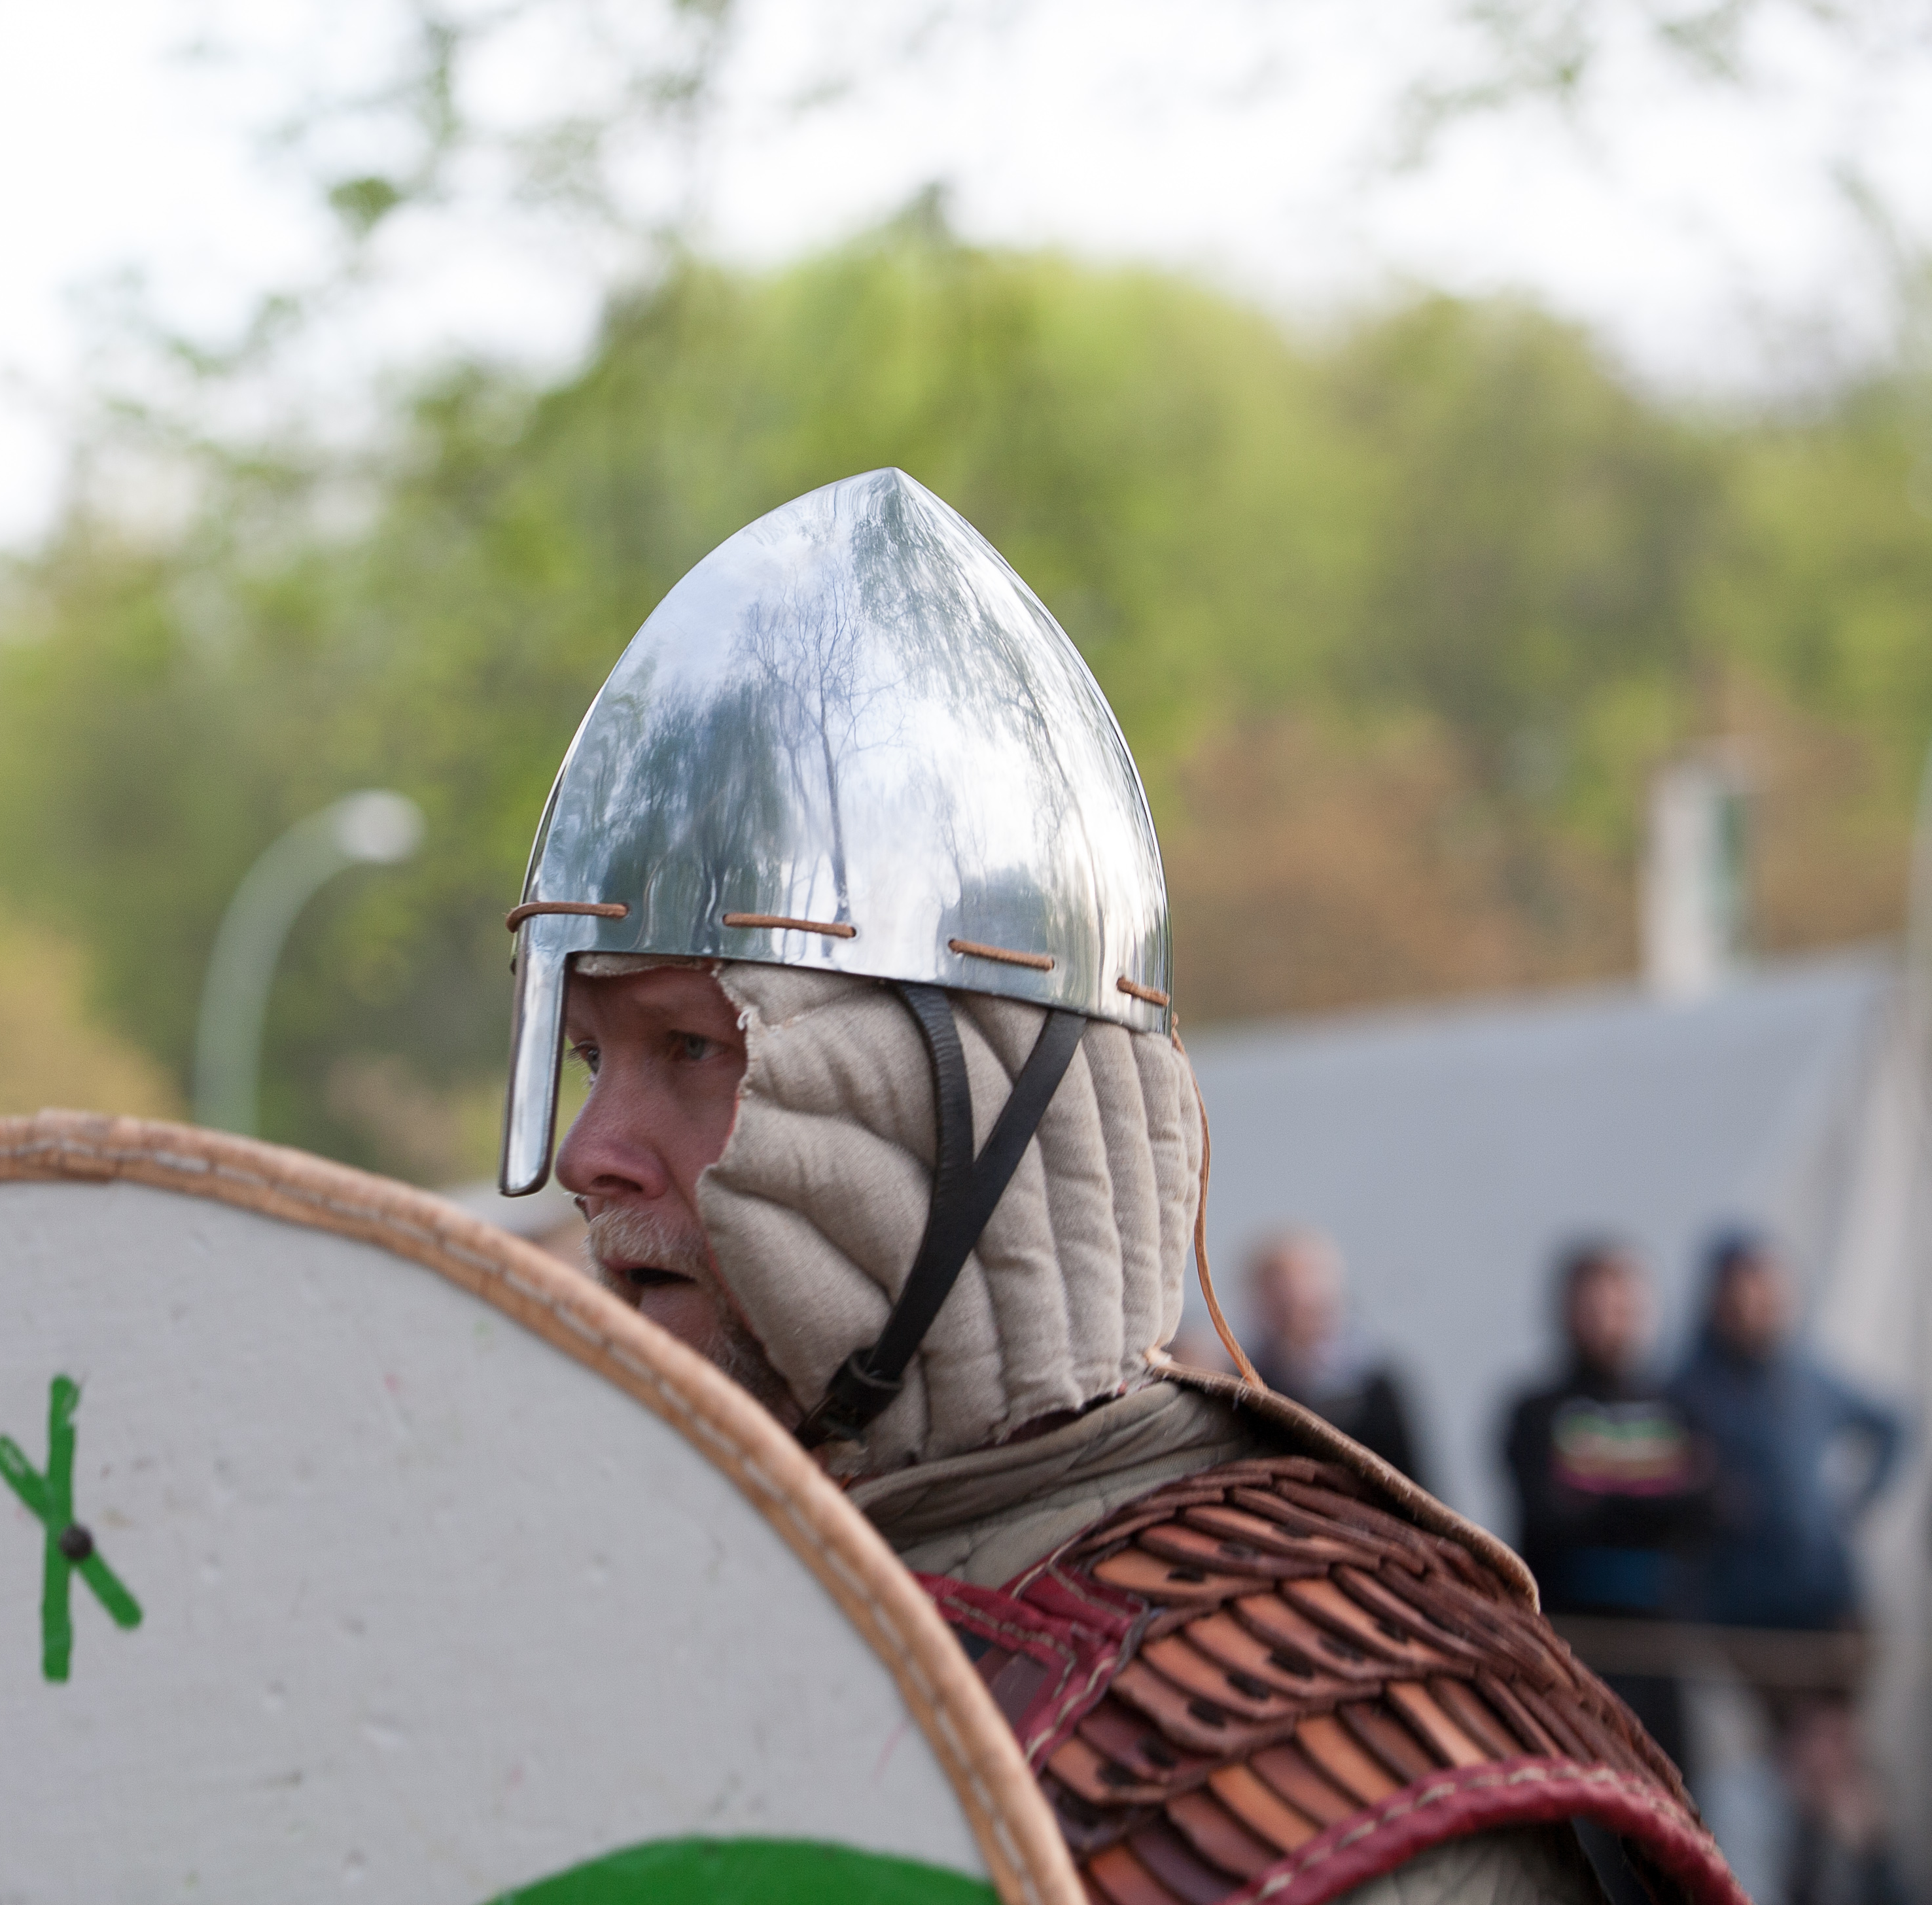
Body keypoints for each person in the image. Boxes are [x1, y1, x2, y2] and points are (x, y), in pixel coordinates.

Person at [502, 470, 1740, 1905]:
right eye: (588, 1058)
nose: (592, 1150)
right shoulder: (615, 1610)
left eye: (690, 1048)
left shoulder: (1333, 1756)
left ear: (973, 1102)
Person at [1666, 1231, 1905, 1905]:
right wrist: (1707, 1503)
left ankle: (1859, 1880)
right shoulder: (1690, 1388)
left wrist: (1857, 1500)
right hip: (1749, 1612)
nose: (1753, 1307)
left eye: (1764, 1291)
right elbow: (1658, 1476)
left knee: (1824, 1759)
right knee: (1814, 1758)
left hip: (1831, 1598)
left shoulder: (1805, 1376)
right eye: (1739, 1294)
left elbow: (1893, 1425)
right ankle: (1874, 1880)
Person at [1501, 1239, 1709, 1772]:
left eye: (1621, 1306)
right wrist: (1649, 1497)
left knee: (1667, 1791)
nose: (1609, 1320)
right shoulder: (1536, 1410)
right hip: (1571, 1641)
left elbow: (1708, 1510)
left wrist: (1600, 1497)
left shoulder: (1675, 1408)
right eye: (1594, 1306)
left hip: (1661, 1644)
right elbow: (1547, 1519)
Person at [1243, 1229, 1428, 1486]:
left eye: (1305, 1298)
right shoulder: (1245, 1381)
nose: (1296, 1311)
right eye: (1281, 1301)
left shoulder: (1375, 1385)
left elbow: (1414, 1484)